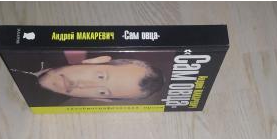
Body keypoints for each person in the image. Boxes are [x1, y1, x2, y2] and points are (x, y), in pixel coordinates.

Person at [9, 54, 164, 106]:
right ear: (96, 61)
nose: (82, 85)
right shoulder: (34, 49)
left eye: (102, 92)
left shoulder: (41, 105)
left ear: (100, 99)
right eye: (100, 76)